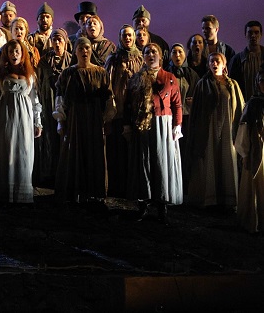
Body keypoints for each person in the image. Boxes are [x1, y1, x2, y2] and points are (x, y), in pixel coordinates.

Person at [125, 43, 183, 224]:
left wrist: (177, 125)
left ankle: (161, 206)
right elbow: (128, 104)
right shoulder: (136, 79)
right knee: (143, 162)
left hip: (162, 124)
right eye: (147, 52)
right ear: (143, 57)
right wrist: (127, 126)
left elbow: (177, 104)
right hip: (142, 124)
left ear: (160, 56)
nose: (151, 55)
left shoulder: (169, 78)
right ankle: (143, 204)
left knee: (161, 162)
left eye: (154, 52)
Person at [54, 37, 115, 206]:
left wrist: (107, 119)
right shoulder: (68, 73)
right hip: (75, 118)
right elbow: (60, 97)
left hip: (94, 118)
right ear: (75, 51)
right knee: (75, 152)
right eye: (80, 48)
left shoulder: (101, 72)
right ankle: (75, 191)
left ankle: (94, 193)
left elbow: (109, 98)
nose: (84, 51)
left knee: (94, 153)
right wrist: (61, 120)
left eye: (87, 48)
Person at [185, 52, 244, 209]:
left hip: (228, 129)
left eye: (217, 61)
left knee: (227, 159)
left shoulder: (233, 85)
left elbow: (239, 108)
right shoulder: (202, 84)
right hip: (209, 130)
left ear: (224, 64)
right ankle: (210, 199)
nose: (214, 63)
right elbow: (197, 111)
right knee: (210, 160)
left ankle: (228, 199)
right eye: (211, 61)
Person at [0, 40, 42, 204]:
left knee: (23, 152)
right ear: (7, 54)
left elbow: (35, 100)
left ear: (22, 53)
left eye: (17, 51)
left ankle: (21, 195)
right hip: (6, 116)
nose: (14, 54)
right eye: (11, 52)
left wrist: (37, 122)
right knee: (6, 151)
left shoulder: (30, 75)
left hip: (24, 118)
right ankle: (4, 194)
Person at [103, 24, 143, 199]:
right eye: (124, 35)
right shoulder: (113, 59)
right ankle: (116, 187)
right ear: (120, 38)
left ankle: (133, 187)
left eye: (130, 35)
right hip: (118, 112)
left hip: (135, 112)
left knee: (133, 152)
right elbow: (108, 84)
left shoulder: (140, 58)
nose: (127, 38)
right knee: (117, 151)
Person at [34, 29, 72, 187]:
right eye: (54, 40)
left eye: (60, 40)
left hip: (66, 104)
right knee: (49, 138)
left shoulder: (71, 60)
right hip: (48, 102)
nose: (57, 43)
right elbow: (39, 81)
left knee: (65, 137)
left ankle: (65, 174)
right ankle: (49, 173)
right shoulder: (44, 61)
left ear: (65, 41)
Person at [234, 70, 264, 233]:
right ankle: (253, 220)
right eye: (262, 81)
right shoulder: (253, 104)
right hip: (256, 149)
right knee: (255, 184)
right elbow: (244, 130)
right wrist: (245, 152)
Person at [231, 20, 263, 99]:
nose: (253, 36)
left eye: (256, 32)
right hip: (244, 103)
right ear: (245, 34)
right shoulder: (237, 60)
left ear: (261, 34)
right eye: (250, 33)